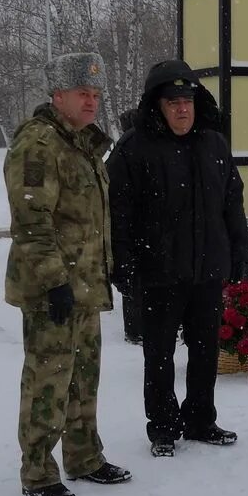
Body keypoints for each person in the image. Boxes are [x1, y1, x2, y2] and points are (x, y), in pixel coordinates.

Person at [5, 52, 130, 496]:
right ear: (57, 95)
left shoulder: (83, 144)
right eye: (83, 93)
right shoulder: (39, 144)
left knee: (84, 375)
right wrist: (54, 280)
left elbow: (92, 220)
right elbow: (31, 220)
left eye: (96, 94)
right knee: (48, 378)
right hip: (51, 288)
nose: (92, 102)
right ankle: (37, 470)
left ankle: (84, 456)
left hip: (85, 285)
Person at [108, 60, 248, 459]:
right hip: (159, 274)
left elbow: (232, 201)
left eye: (187, 101)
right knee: (160, 354)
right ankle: (164, 427)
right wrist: (125, 264)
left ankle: (201, 419)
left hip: (207, 271)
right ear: (157, 106)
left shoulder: (214, 143)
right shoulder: (134, 149)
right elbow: (118, 213)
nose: (182, 109)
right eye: (173, 102)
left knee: (205, 351)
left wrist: (238, 250)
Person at [115, 109, 143, 345]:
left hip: (132, 227)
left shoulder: (124, 145)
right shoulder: (134, 144)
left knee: (133, 285)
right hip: (137, 226)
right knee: (135, 284)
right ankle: (135, 329)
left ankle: (134, 328)